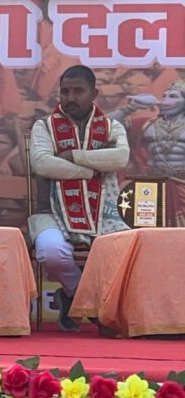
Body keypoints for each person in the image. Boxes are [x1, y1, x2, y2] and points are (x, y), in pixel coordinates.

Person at [30, 65, 130, 332]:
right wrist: (91, 169)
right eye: (65, 91)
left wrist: (71, 155)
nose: (70, 98)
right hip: (50, 211)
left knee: (124, 250)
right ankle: (87, 302)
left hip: (104, 211)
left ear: (94, 93)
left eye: (78, 91)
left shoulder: (111, 126)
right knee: (51, 252)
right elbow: (42, 164)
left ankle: (78, 300)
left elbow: (120, 158)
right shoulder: (44, 126)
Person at [138, 80, 185, 227]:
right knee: (149, 227)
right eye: (164, 96)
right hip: (151, 186)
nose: (165, 100)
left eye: (173, 96)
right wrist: (130, 107)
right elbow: (108, 125)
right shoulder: (147, 124)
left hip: (182, 185)